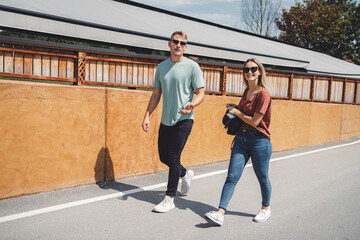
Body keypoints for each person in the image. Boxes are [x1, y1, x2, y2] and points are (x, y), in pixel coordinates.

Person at [142, 31, 205, 213]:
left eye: (182, 43)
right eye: (175, 42)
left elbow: (200, 92)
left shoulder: (192, 67)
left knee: (174, 156)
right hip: (166, 120)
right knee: (164, 157)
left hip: (184, 119)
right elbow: (156, 94)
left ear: (186, 47)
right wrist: (147, 115)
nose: (178, 45)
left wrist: (192, 104)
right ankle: (186, 174)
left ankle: (169, 198)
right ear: (169, 44)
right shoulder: (161, 67)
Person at [205, 58, 272, 225]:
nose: (249, 72)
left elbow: (255, 121)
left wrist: (237, 112)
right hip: (242, 139)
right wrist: (235, 108)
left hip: (259, 141)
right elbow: (245, 113)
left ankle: (265, 208)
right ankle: (220, 212)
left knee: (262, 177)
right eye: (246, 69)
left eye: (253, 69)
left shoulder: (264, 94)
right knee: (232, 176)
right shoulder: (246, 91)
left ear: (259, 71)